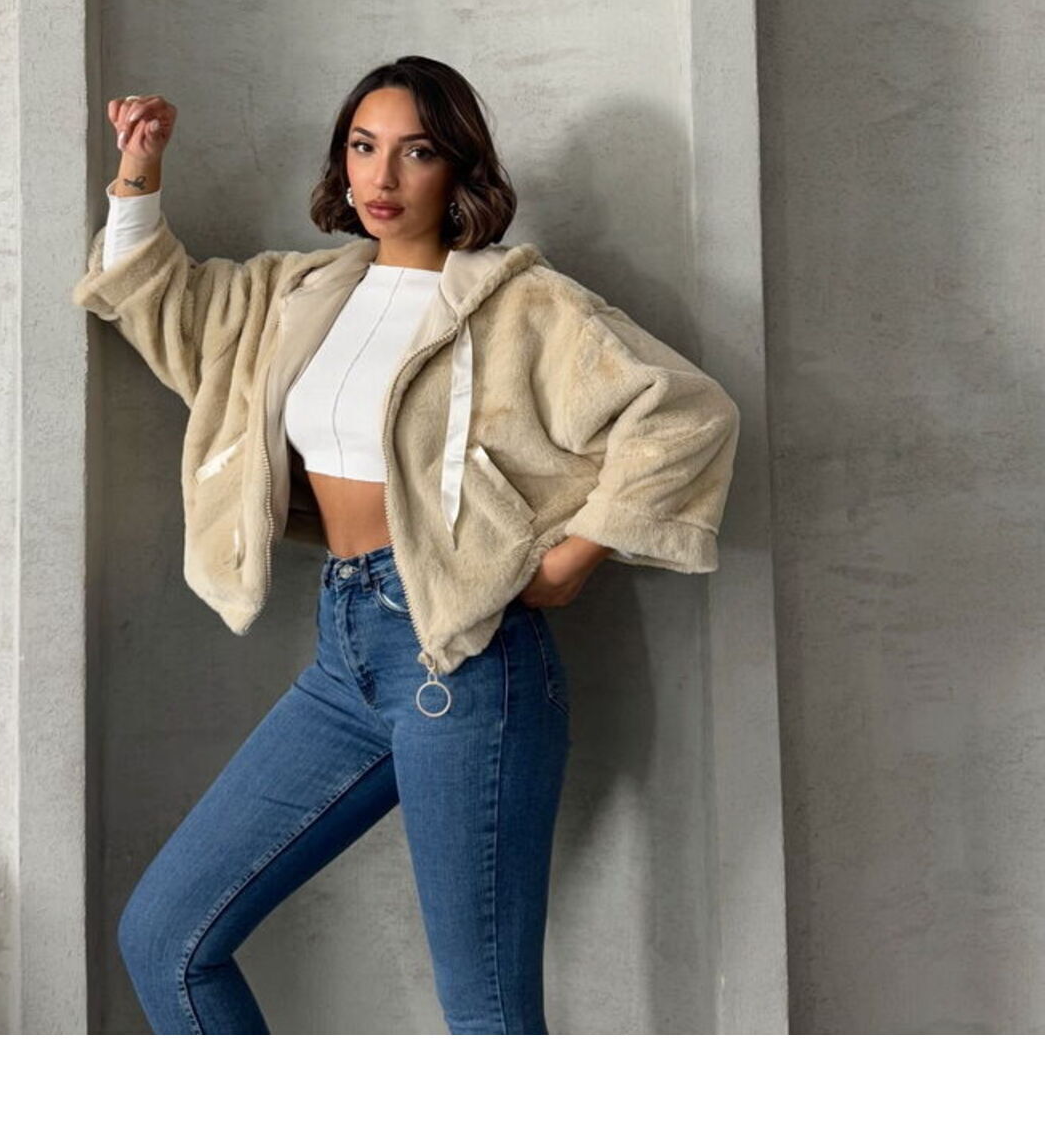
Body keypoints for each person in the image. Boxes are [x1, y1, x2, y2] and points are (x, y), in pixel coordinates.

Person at [73, 54, 741, 1034]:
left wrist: (572, 558)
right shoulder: (302, 292)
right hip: (345, 654)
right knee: (167, 938)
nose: (381, 177)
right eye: (363, 147)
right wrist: (139, 167)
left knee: (485, 1019)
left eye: (416, 153)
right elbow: (163, 303)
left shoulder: (518, 303)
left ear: (459, 168)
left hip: (467, 660)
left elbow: (684, 414)